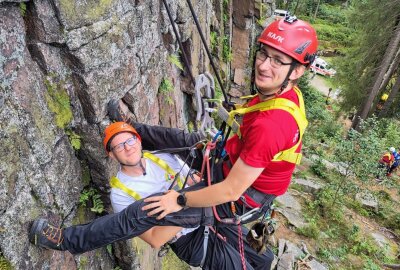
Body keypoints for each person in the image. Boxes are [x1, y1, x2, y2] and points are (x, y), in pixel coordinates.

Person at [29, 16, 318, 269]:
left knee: (146, 211)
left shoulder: (273, 124)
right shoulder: (279, 96)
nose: (264, 66)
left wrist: (178, 199)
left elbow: (230, 191)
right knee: (182, 140)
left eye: (278, 61)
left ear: (298, 71)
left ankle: (67, 240)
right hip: (230, 164)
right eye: (263, 54)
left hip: (238, 198)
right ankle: (133, 127)